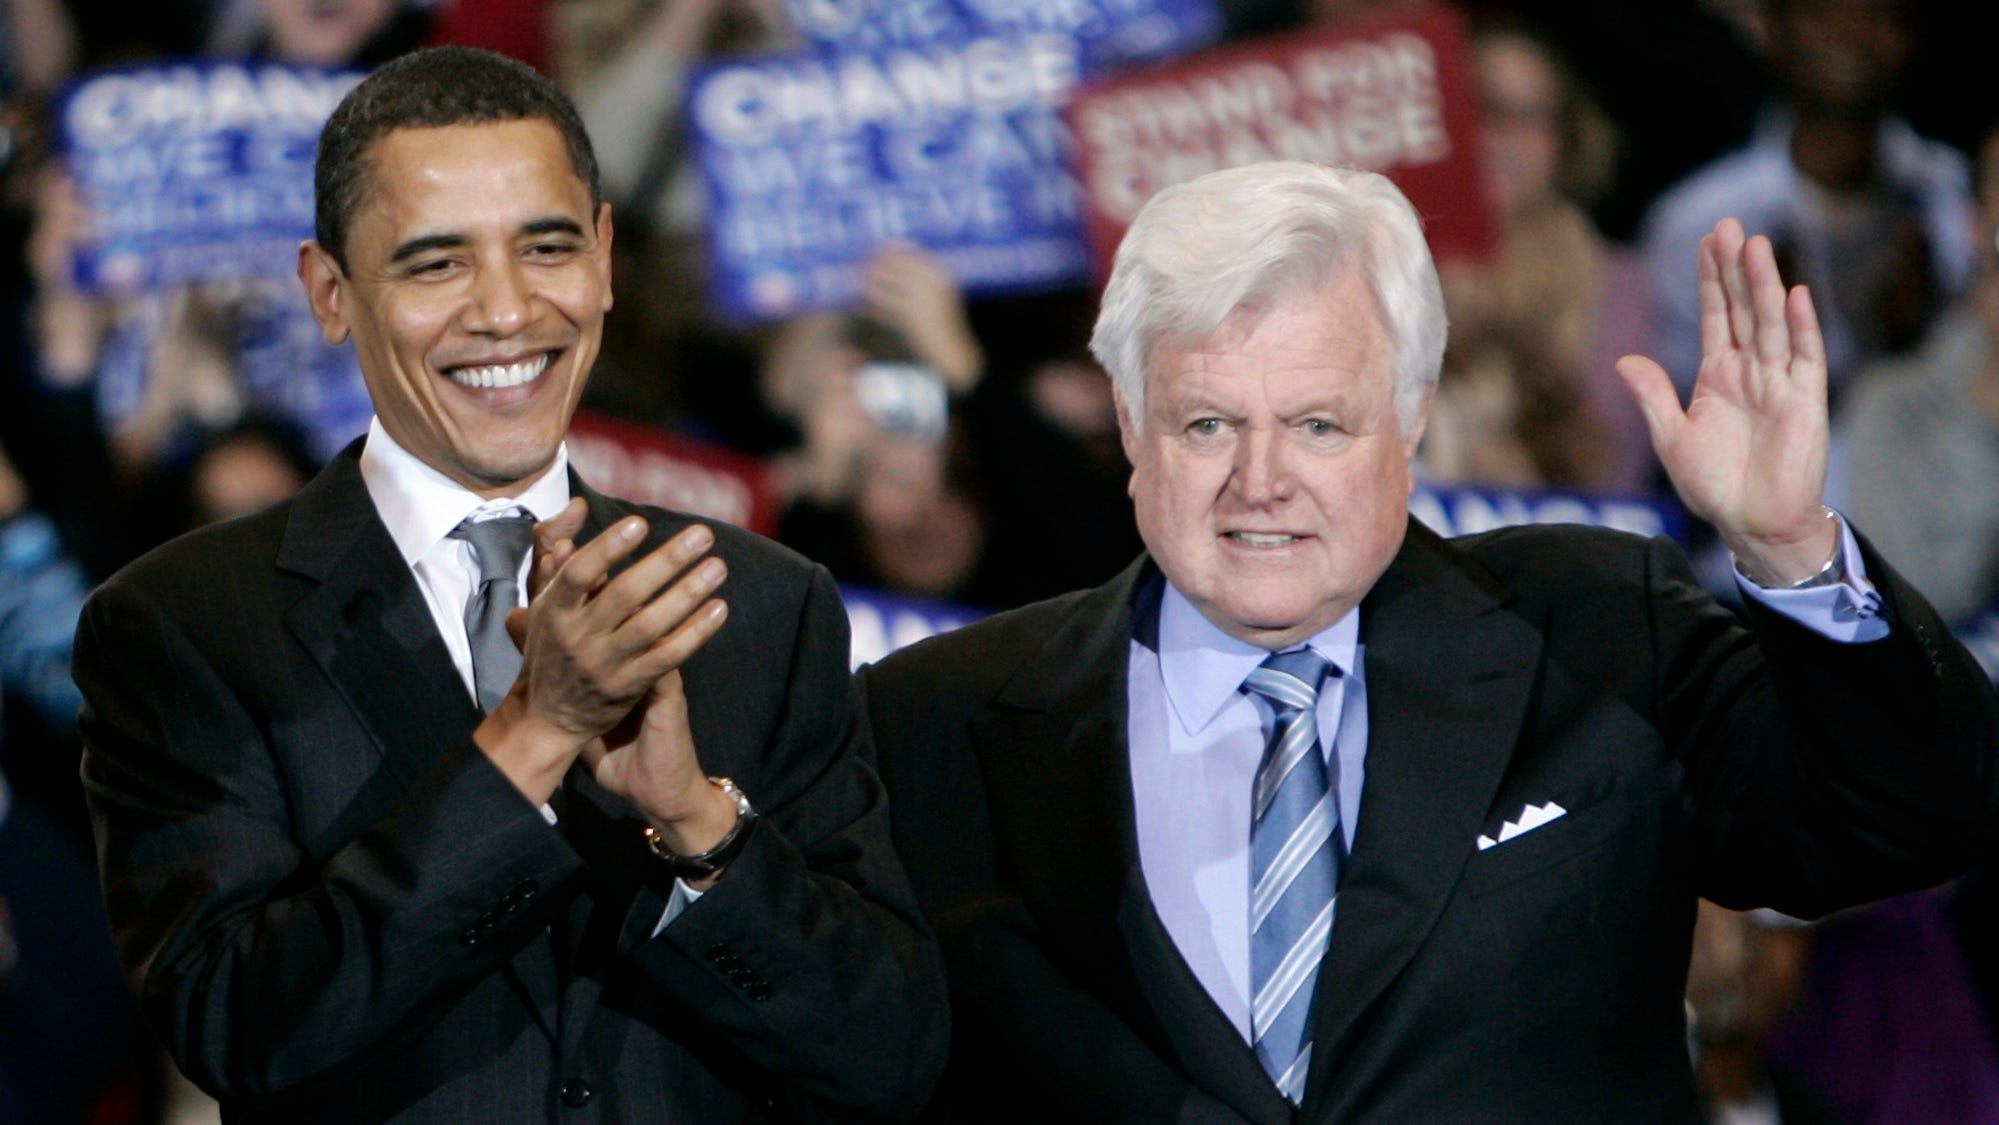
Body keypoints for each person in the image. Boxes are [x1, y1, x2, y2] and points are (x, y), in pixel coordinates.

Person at [859, 161, 1999, 1121]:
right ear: (1127, 424)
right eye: (1207, 423)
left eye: (1317, 424)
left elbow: (1907, 819)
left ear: (1408, 417)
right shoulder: (932, 720)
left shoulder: (1598, 629)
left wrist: (1791, 549)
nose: (1262, 484)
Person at [75, 46, 946, 1123]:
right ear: (331, 293)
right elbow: (243, 1027)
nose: (505, 311)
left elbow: (886, 1054)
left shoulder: (759, 602)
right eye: (437, 265)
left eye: (546, 247)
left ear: (608, 257)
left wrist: (697, 827)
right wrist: (539, 731)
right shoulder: (185, 624)